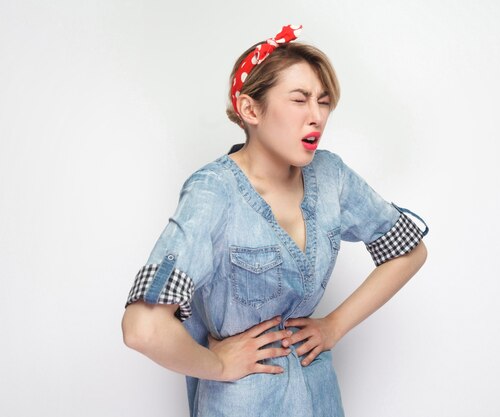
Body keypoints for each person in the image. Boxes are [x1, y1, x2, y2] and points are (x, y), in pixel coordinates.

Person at [121, 24, 429, 417]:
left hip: (319, 398)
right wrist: (217, 365)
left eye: (323, 100)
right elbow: (142, 328)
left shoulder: (331, 176)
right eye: (299, 100)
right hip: (242, 403)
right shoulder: (213, 192)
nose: (317, 116)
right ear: (251, 109)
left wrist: (334, 326)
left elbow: (409, 252)